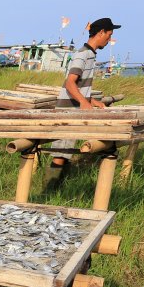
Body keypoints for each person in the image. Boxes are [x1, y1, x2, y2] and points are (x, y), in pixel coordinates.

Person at [48, 17, 120, 174]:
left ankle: (59, 185)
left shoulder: (90, 54)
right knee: (61, 154)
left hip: (74, 110)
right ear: (101, 33)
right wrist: (83, 102)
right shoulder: (83, 55)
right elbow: (70, 83)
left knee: (65, 153)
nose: (109, 39)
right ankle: (50, 190)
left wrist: (92, 101)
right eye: (109, 35)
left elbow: (79, 85)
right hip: (67, 111)